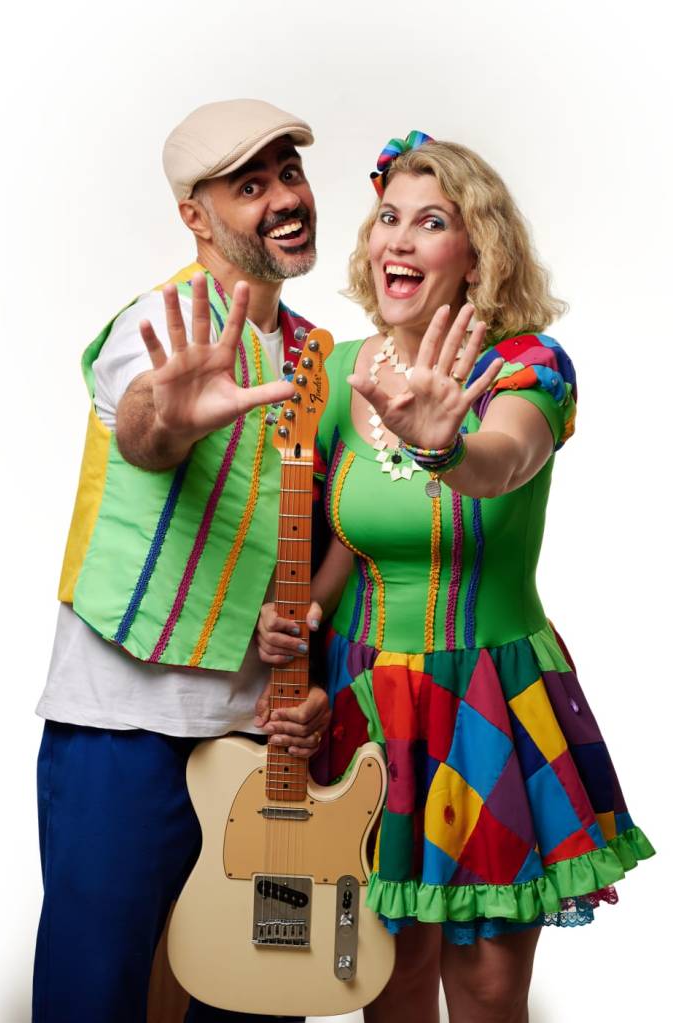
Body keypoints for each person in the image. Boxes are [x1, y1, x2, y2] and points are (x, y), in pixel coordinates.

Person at [257, 131, 655, 1023]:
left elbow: (505, 459)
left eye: (430, 222)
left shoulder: (528, 367)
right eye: (387, 217)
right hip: (362, 699)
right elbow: (342, 543)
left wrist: (443, 445)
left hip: (485, 700)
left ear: (478, 251)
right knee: (385, 977)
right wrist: (296, 626)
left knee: (485, 986)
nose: (397, 239)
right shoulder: (337, 372)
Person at [34, 99, 331, 1023]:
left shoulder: (316, 357)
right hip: (125, 724)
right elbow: (145, 430)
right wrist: (167, 417)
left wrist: (308, 653)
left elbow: (317, 544)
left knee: (261, 991)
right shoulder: (157, 328)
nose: (284, 198)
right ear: (194, 216)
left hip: (262, 738)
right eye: (250, 186)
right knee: (94, 989)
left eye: (288, 174)